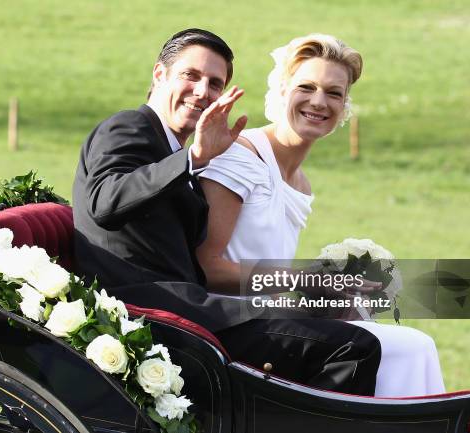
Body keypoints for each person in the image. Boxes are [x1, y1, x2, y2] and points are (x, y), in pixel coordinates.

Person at [73, 28, 382, 396]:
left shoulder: (180, 153)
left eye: (215, 83)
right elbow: (104, 203)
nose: (203, 91)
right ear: (159, 75)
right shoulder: (129, 127)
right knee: (355, 348)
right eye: (191, 75)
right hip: (149, 312)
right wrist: (194, 158)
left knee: (351, 336)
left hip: (186, 308)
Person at [197, 33, 445, 397]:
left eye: (334, 93)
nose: (318, 101)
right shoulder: (241, 157)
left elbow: (267, 282)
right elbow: (208, 269)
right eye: (306, 87)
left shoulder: (301, 184)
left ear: (345, 105)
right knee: (408, 348)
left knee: (417, 344)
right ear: (282, 91)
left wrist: (325, 300)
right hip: (226, 329)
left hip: (270, 322)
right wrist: (303, 280)